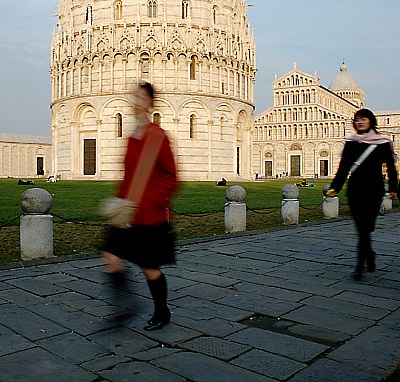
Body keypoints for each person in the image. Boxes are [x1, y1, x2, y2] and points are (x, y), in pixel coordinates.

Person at [101, 82, 177, 330]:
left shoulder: (158, 135)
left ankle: (161, 312)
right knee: (110, 255)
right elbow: (128, 174)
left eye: (142, 97)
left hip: (149, 214)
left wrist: (153, 199)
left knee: (149, 268)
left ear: (150, 103)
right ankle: (125, 306)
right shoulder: (133, 137)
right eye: (134, 96)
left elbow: (170, 176)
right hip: (126, 212)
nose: (136, 100)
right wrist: (119, 200)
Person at [325, 109, 398, 281]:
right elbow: (343, 168)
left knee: (368, 226)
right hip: (355, 189)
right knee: (362, 229)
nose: (360, 122)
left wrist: (393, 188)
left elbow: (391, 168)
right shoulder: (351, 143)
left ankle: (369, 253)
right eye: (357, 120)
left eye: (363, 119)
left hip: (374, 189)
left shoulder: (382, 142)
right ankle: (360, 266)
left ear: (371, 121)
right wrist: (335, 187)